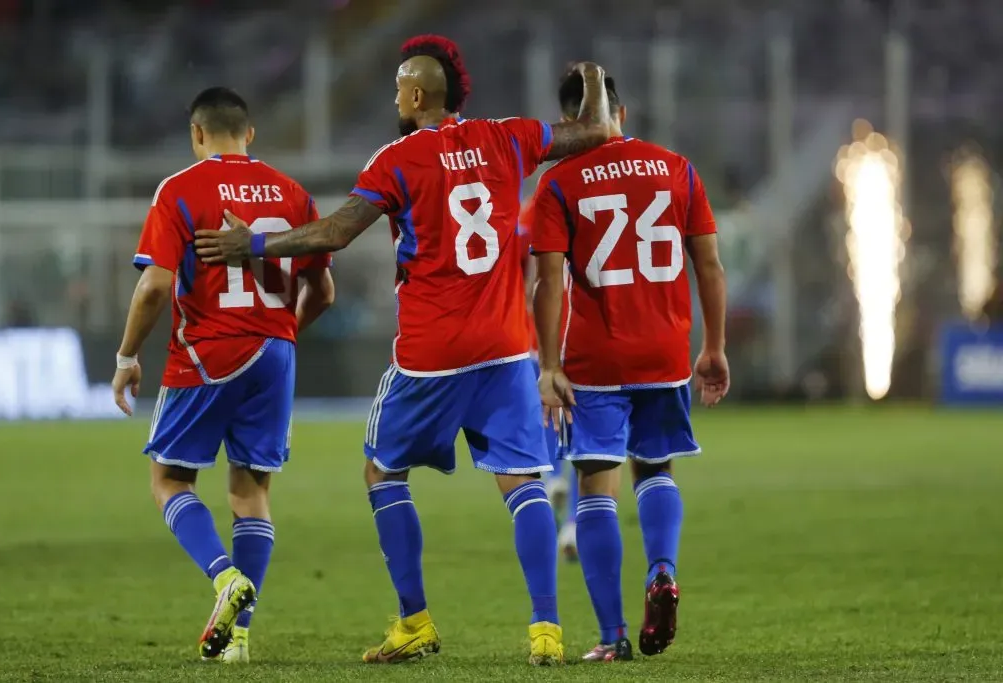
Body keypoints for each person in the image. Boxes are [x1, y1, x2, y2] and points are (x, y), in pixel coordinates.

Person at [193, 35, 611, 665]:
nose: (394, 96)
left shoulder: (397, 158)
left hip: (431, 352)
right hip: (505, 346)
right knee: (522, 481)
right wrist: (595, 76)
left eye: (397, 87)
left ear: (416, 96)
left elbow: (335, 231)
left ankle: (415, 621)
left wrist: (251, 245)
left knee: (381, 470)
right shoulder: (510, 137)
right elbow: (598, 130)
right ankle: (546, 632)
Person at [111, 87, 335, 663]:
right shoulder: (292, 193)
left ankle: (222, 577)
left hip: (207, 353)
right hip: (274, 352)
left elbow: (156, 285)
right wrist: (280, 335)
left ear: (197, 133)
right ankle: (238, 639)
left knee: (170, 480)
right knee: (251, 490)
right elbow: (323, 291)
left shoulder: (182, 189)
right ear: (250, 133)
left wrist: (127, 356)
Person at [530, 71, 729, 662]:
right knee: (656, 468)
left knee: (595, 486)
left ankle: (613, 636)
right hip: (664, 351)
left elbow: (547, 283)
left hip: (596, 358)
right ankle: (662, 570)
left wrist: (548, 364)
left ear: (568, 124)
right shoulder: (677, 168)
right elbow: (710, 267)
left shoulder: (558, 182)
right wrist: (713, 346)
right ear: (624, 111)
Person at [519, 200, 579, 558]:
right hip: (583, 328)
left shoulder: (534, 209)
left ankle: (554, 477)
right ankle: (571, 526)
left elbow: (532, 281)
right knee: (586, 440)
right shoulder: (591, 194)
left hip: (538, 336)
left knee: (545, 416)